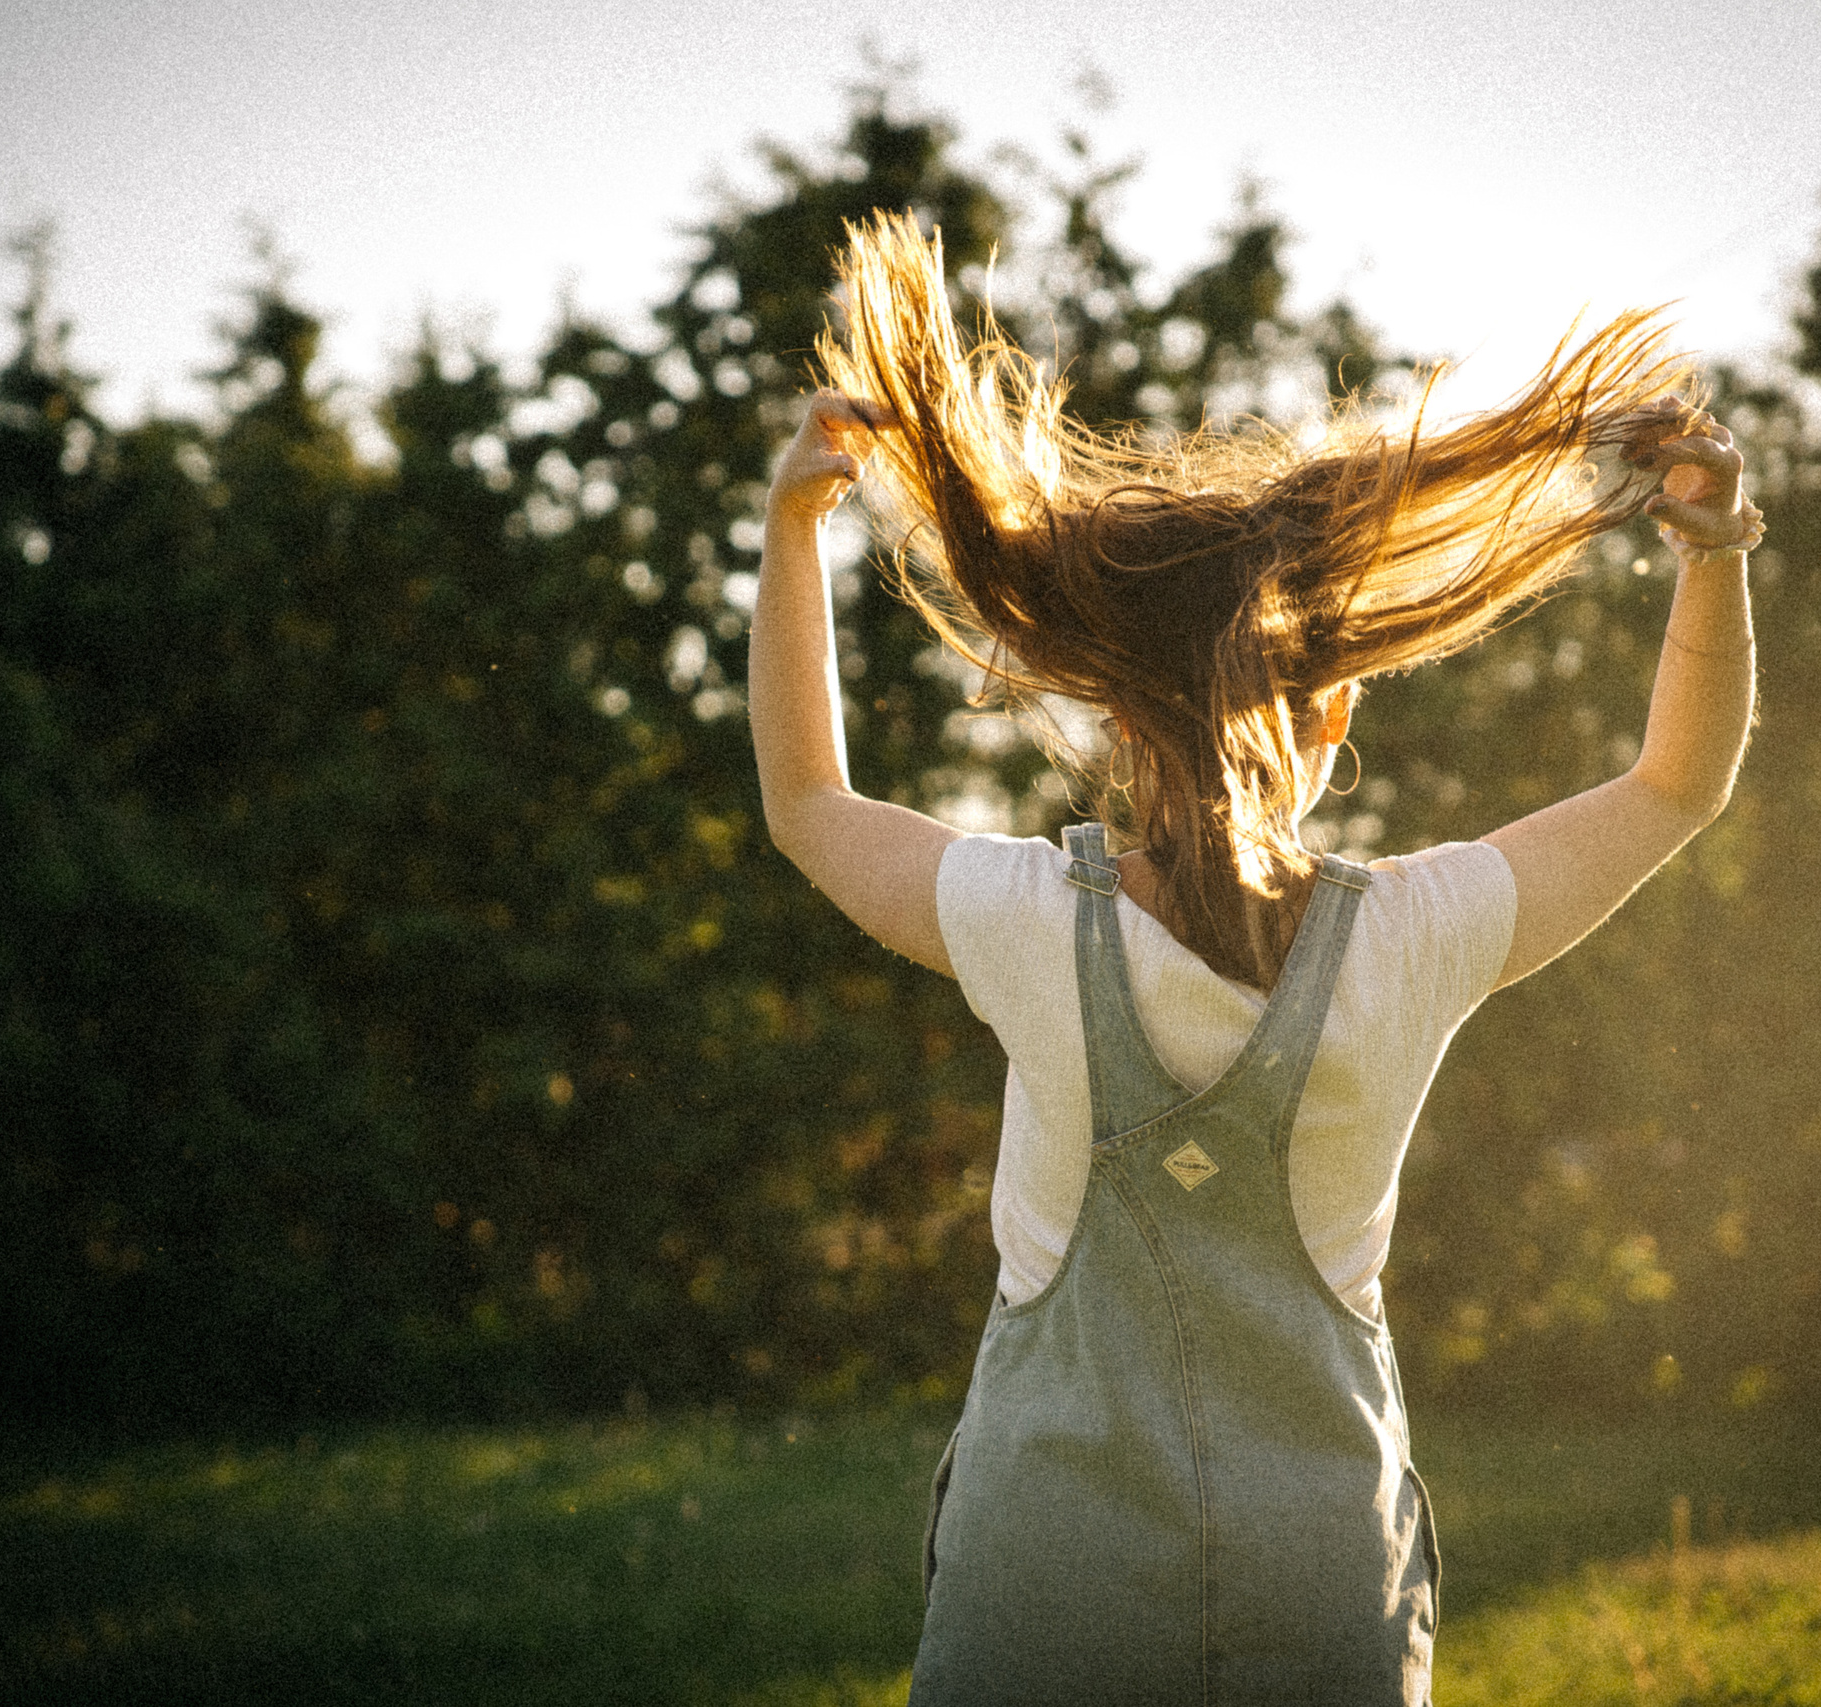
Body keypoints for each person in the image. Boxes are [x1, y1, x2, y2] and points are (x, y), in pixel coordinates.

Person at [750, 211, 1762, 1706]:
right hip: (1317, 1595)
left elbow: (808, 804)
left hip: (1044, 1593)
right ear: (1335, 718)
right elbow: (1678, 785)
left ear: (1116, 716)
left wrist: (790, 536)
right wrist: (1713, 553)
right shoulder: (1416, 934)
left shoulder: (1033, 921)